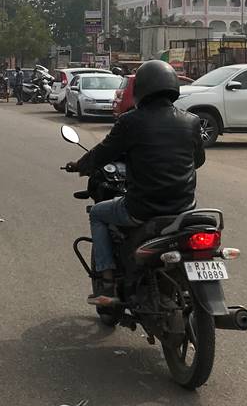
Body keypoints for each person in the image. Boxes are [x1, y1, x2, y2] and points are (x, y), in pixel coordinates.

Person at [64, 60, 204, 306]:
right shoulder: (191, 121)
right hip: (184, 209)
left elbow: (103, 152)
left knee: (98, 213)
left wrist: (80, 166)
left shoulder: (131, 121)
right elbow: (198, 160)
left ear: (141, 89)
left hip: (143, 209)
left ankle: (107, 283)